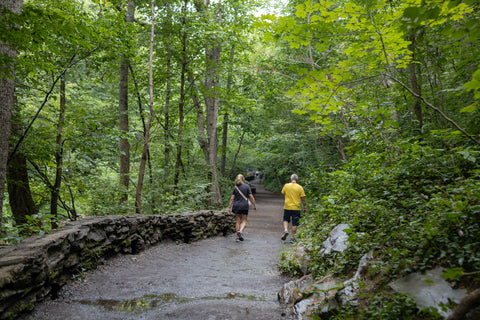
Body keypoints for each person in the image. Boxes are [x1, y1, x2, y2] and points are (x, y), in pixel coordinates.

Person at [227, 174, 257, 241]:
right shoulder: (247, 186)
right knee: (244, 220)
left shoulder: (235, 187)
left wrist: (229, 207)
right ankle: (241, 231)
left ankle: (238, 236)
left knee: (237, 221)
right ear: (243, 179)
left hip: (236, 206)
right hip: (244, 206)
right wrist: (254, 204)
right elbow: (251, 196)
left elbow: (232, 198)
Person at [281, 174, 306, 242]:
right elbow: (303, 198)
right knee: (295, 223)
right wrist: (304, 207)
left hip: (287, 206)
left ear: (291, 179)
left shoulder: (286, 185)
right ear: (297, 180)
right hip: (296, 208)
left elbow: (283, 193)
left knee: (286, 219)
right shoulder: (300, 187)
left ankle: (286, 230)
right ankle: (292, 238)